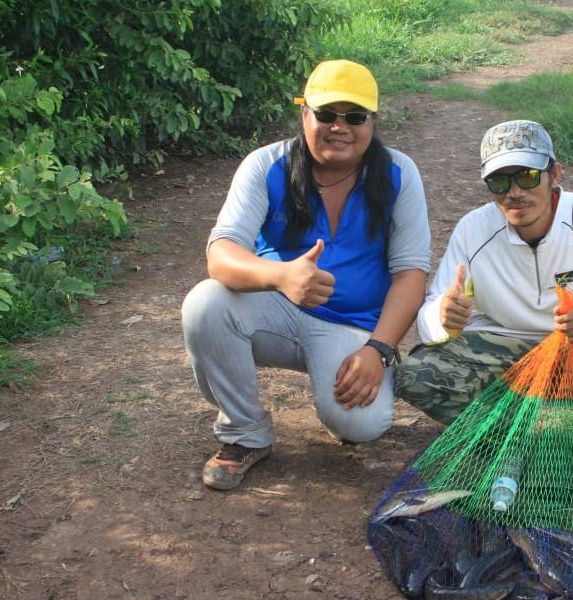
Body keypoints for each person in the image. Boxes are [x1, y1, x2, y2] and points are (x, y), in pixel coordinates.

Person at [182, 60, 431, 490]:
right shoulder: (265, 165)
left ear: (373, 122)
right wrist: (279, 276)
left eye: (355, 117)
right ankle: (245, 433)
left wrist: (378, 349)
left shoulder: (398, 173)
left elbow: (411, 273)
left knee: (362, 424)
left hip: (354, 326)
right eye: (326, 114)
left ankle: (336, 391)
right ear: (304, 115)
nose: (340, 127)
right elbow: (220, 254)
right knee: (206, 304)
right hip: (274, 311)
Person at [395, 120, 573, 451]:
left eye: (528, 176)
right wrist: (442, 319)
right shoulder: (474, 230)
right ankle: (528, 441)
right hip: (511, 349)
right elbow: (429, 321)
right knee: (417, 375)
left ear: (554, 174)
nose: (515, 192)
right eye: (499, 181)